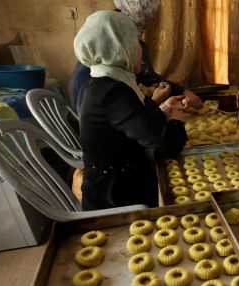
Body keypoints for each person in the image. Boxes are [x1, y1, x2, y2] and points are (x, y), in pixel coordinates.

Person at [74, 10, 188, 210]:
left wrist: (161, 109)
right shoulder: (113, 92)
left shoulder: (99, 83)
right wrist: (176, 120)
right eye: (135, 43)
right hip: (116, 196)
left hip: (112, 181)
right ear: (119, 48)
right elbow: (168, 146)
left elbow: (133, 122)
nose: (140, 51)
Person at [68, 0, 203, 109]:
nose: (152, 21)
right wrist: (159, 102)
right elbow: (145, 75)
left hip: (85, 109)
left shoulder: (105, 30)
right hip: (98, 117)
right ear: (141, 14)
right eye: (151, 16)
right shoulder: (123, 41)